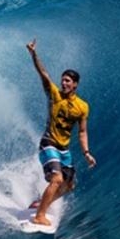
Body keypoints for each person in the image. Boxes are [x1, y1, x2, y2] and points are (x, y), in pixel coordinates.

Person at [26, 38, 96, 226]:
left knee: (69, 185)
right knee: (57, 179)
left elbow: (82, 132)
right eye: (63, 80)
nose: (63, 83)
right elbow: (43, 74)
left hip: (64, 149)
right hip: (48, 143)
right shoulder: (54, 94)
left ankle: (41, 203)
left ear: (75, 84)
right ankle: (39, 215)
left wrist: (87, 153)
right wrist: (34, 55)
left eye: (68, 81)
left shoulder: (82, 107)